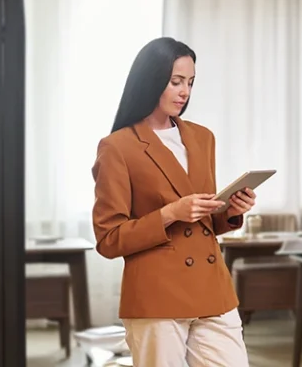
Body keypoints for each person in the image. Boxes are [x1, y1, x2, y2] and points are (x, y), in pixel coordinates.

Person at [91, 37, 256, 367]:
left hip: (212, 289)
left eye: (190, 82)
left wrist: (231, 211)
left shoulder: (202, 137)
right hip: (157, 294)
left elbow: (203, 221)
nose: (185, 92)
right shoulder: (118, 147)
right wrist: (169, 214)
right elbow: (109, 240)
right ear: (151, 80)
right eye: (176, 81)